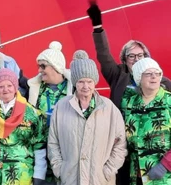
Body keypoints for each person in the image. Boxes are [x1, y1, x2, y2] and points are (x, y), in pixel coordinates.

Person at [85, 0, 171, 185]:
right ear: (124, 60)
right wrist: (98, 27)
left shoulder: (163, 82)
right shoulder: (117, 75)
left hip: (153, 145)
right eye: (131, 56)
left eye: (140, 55)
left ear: (147, 57)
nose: (136, 59)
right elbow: (103, 55)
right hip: (122, 143)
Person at [47, 50, 127, 185]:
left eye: (89, 81)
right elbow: (53, 143)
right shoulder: (61, 107)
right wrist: (60, 169)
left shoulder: (109, 108)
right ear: (74, 83)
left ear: (94, 81)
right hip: (70, 180)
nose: (86, 86)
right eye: (81, 81)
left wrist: (108, 170)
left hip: (101, 180)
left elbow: (120, 144)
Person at [122, 58, 171, 185]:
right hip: (138, 176)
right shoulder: (129, 103)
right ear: (139, 78)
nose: (154, 76)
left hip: (168, 177)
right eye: (148, 73)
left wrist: (164, 166)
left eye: (157, 73)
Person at [0, 68, 47, 185]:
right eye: (1, 86)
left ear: (15, 87)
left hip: (20, 177)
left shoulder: (32, 113)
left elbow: (39, 147)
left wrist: (39, 175)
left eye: (9, 85)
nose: (6, 90)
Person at [27, 41, 73, 184]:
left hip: (65, 154)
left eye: (43, 66)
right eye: (39, 66)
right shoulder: (35, 89)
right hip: (40, 153)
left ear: (56, 67)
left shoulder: (73, 90)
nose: (40, 70)